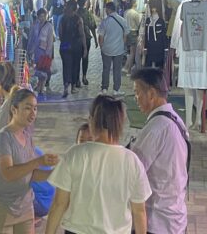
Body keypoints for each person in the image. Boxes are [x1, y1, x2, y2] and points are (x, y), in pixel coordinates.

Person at [45, 95, 151, 234]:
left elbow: (59, 204)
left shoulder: (75, 154)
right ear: (120, 123)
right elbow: (139, 212)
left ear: (92, 121)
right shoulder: (132, 161)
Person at [0, 89, 60, 234]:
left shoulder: (27, 137)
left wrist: (55, 173)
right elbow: (8, 174)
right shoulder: (3, 138)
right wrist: (38, 161)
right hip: (2, 207)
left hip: (25, 207)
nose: (33, 113)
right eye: (27, 108)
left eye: (35, 108)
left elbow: (30, 175)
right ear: (14, 109)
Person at [130, 67, 189, 234]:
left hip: (157, 220)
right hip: (175, 217)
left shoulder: (156, 128)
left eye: (137, 92)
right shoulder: (176, 120)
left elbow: (133, 171)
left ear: (151, 94)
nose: (136, 98)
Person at [98, 1, 130, 95]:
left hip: (107, 49)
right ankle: (116, 89)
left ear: (108, 9)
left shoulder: (105, 21)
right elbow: (125, 35)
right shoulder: (122, 20)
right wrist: (121, 44)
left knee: (106, 69)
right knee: (117, 69)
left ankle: (104, 88)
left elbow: (101, 37)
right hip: (119, 49)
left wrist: (102, 47)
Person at [58, 0, 87, 97]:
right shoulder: (78, 19)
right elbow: (82, 34)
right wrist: (85, 48)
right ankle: (73, 87)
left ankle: (66, 86)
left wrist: (64, 41)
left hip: (65, 44)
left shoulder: (62, 18)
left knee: (66, 65)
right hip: (76, 45)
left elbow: (60, 33)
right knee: (75, 65)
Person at [27, 8, 56, 94]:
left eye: (44, 16)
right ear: (38, 16)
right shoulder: (35, 25)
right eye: (40, 16)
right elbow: (31, 37)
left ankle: (41, 87)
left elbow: (50, 41)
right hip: (36, 51)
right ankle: (39, 85)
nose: (42, 18)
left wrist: (48, 54)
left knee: (44, 70)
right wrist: (29, 49)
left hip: (44, 51)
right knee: (39, 69)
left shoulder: (49, 26)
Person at [142, 0, 168, 70]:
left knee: (159, 65)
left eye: (155, 7)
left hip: (159, 46)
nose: (153, 9)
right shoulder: (148, 20)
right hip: (150, 46)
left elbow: (163, 35)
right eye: (152, 7)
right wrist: (145, 47)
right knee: (148, 65)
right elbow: (146, 35)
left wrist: (166, 48)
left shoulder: (161, 21)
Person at [77, 0, 98, 86]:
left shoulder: (75, 13)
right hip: (86, 37)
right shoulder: (88, 13)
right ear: (85, 2)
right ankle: (84, 77)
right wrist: (96, 40)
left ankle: (77, 79)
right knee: (85, 58)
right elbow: (92, 27)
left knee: (77, 59)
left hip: (77, 39)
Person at [124, 2, 143, 73]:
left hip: (126, 33)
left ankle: (126, 67)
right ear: (134, 4)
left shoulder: (126, 12)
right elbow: (138, 24)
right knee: (133, 52)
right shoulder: (135, 13)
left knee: (129, 52)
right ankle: (128, 70)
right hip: (133, 33)